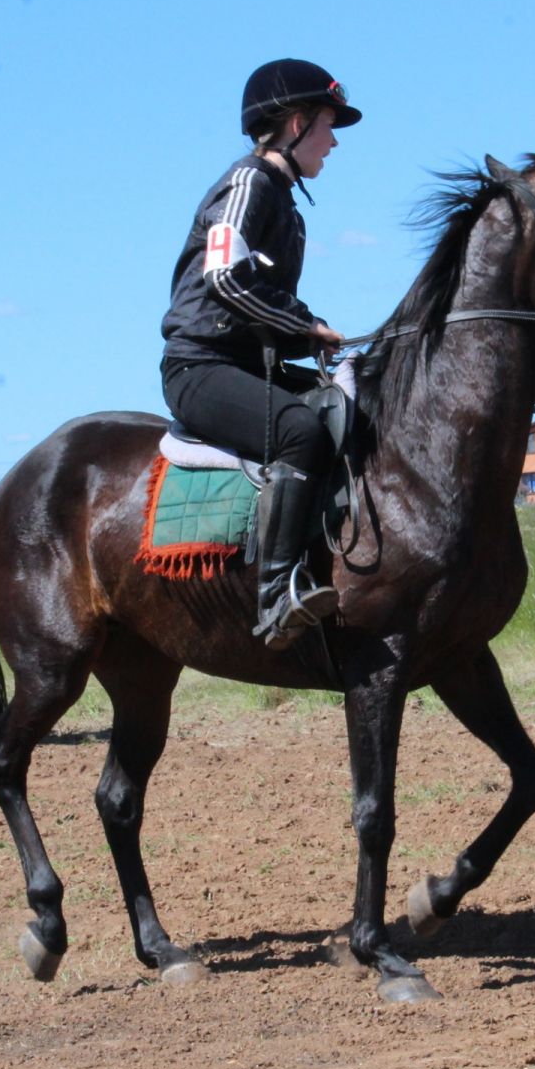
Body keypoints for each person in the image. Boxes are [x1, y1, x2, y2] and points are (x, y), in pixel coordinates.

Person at [159, 59, 359, 650]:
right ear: (297, 123)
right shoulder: (249, 184)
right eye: (328, 124)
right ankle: (275, 594)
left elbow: (257, 299)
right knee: (300, 430)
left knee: (348, 406)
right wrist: (307, 325)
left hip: (244, 365)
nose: (334, 139)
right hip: (200, 368)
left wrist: (308, 336)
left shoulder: (283, 199)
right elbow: (224, 279)